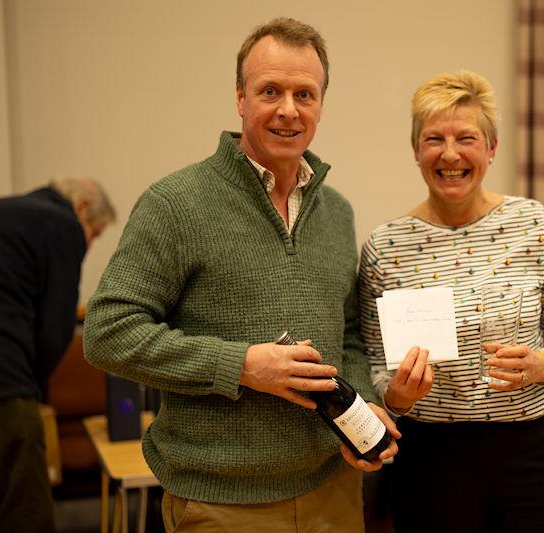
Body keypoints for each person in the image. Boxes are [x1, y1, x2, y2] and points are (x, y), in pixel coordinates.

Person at [83, 17, 399, 533]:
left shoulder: (337, 212)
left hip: (333, 493)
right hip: (221, 504)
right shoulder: (176, 204)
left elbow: (349, 337)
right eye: (270, 91)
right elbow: (107, 334)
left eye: (305, 94)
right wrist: (242, 365)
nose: (288, 110)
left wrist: (359, 411)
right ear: (240, 97)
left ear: (321, 104)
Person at [358, 70, 544, 533]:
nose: (450, 154)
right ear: (416, 151)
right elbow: (373, 366)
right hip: (432, 459)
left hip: (533, 449)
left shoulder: (534, 223)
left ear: (491, 147)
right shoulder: (385, 247)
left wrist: (543, 363)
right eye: (433, 139)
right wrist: (396, 396)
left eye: (466, 137)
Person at [0, 177, 115, 532]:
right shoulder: (61, 225)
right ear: (83, 208)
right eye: (95, 234)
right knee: (24, 508)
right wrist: (33, 391)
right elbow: (56, 328)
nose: (88, 245)